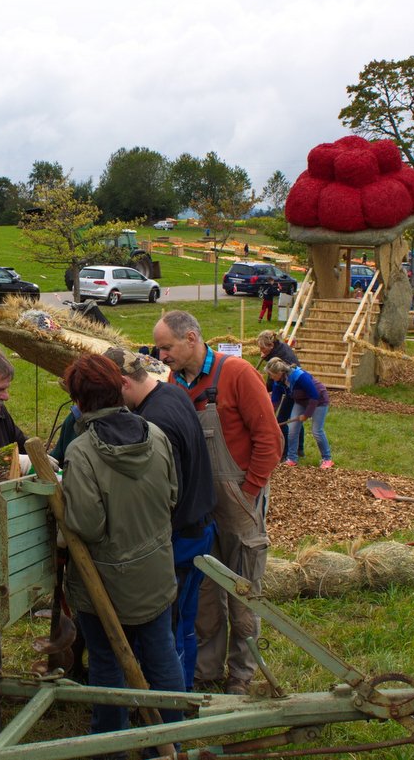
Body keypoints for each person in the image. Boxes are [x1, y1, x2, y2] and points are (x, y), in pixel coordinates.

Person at [152, 311, 282, 695]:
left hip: (238, 500)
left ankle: (241, 675)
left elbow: (270, 440)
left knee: (242, 593)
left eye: (166, 346)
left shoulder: (236, 373)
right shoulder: (174, 382)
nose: (161, 354)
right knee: (205, 594)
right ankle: (205, 672)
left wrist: (249, 492)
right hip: (199, 506)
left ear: (191, 339)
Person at [59, 353, 185, 736]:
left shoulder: (82, 453)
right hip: (156, 573)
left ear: (80, 401)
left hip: (106, 586)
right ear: (118, 389)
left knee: (107, 665)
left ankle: (110, 743)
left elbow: (88, 526)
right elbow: (173, 495)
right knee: (162, 656)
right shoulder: (154, 434)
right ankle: (169, 739)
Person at [105, 347, 216, 688]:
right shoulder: (172, 394)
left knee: (170, 628)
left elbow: (163, 495)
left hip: (180, 538)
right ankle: (184, 695)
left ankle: (173, 707)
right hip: (200, 526)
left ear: (124, 383)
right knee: (185, 621)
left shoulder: (153, 423)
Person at [266, 358, 332, 469]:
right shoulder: (278, 382)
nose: (270, 377)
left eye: (271, 375)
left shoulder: (300, 376)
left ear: (279, 373)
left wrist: (306, 414)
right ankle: (292, 459)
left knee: (317, 431)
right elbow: (275, 401)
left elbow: (314, 396)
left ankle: (327, 459)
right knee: (292, 429)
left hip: (319, 400)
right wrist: (270, 418)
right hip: (301, 401)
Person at [256, 330, 302, 461]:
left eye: (263, 348)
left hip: (293, 387)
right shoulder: (279, 347)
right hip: (288, 386)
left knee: (281, 419)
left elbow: (272, 379)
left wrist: (262, 390)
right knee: (295, 418)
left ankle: (285, 452)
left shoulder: (278, 356)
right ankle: (300, 448)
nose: (261, 350)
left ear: (271, 345)